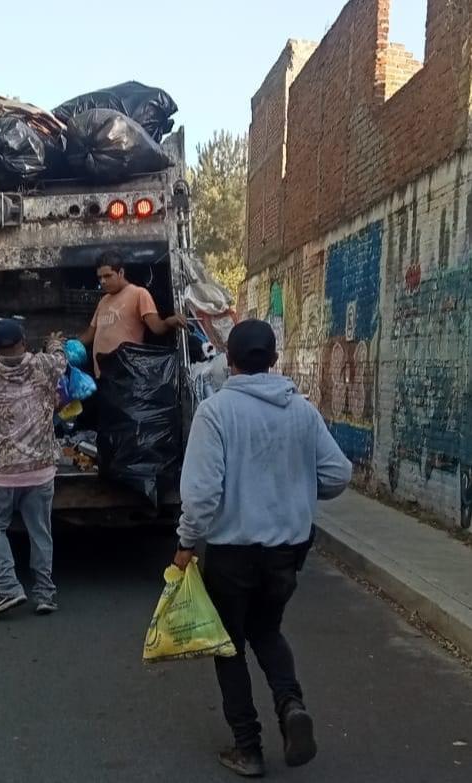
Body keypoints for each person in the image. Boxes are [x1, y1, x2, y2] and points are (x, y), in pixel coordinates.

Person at [173, 319, 353, 778]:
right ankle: (290, 704)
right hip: (287, 552)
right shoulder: (302, 411)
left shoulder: (216, 413)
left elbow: (199, 497)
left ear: (228, 360)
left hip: (232, 553)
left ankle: (248, 747)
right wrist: (296, 493)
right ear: (273, 360)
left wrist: (186, 544)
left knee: (229, 645)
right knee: (268, 631)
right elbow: (338, 474)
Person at [0, 319, 67, 618]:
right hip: (40, 470)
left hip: (1, 473)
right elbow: (61, 359)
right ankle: (45, 594)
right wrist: (53, 341)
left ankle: (9, 589)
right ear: (24, 341)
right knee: (40, 532)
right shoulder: (45, 367)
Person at [78, 250, 187, 376]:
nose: (102, 281)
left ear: (121, 273)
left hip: (125, 375)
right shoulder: (103, 301)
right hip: (102, 376)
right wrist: (65, 345)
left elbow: (157, 327)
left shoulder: (139, 294)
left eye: (108, 276)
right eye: (100, 277)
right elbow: (89, 335)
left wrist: (169, 322)